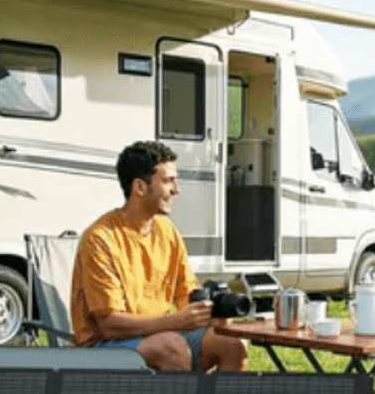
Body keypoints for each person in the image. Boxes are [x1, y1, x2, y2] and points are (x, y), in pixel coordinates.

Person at [70, 140, 248, 371]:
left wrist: (210, 313)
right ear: (140, 187)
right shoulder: (100, 239)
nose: (176, 189)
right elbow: (109, 325)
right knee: (170, 346)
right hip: (106, 346)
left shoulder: (167, 231)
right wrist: (175, 321)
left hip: (161, 334)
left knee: (232, 342)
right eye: (167, 181)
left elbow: (186, 295)